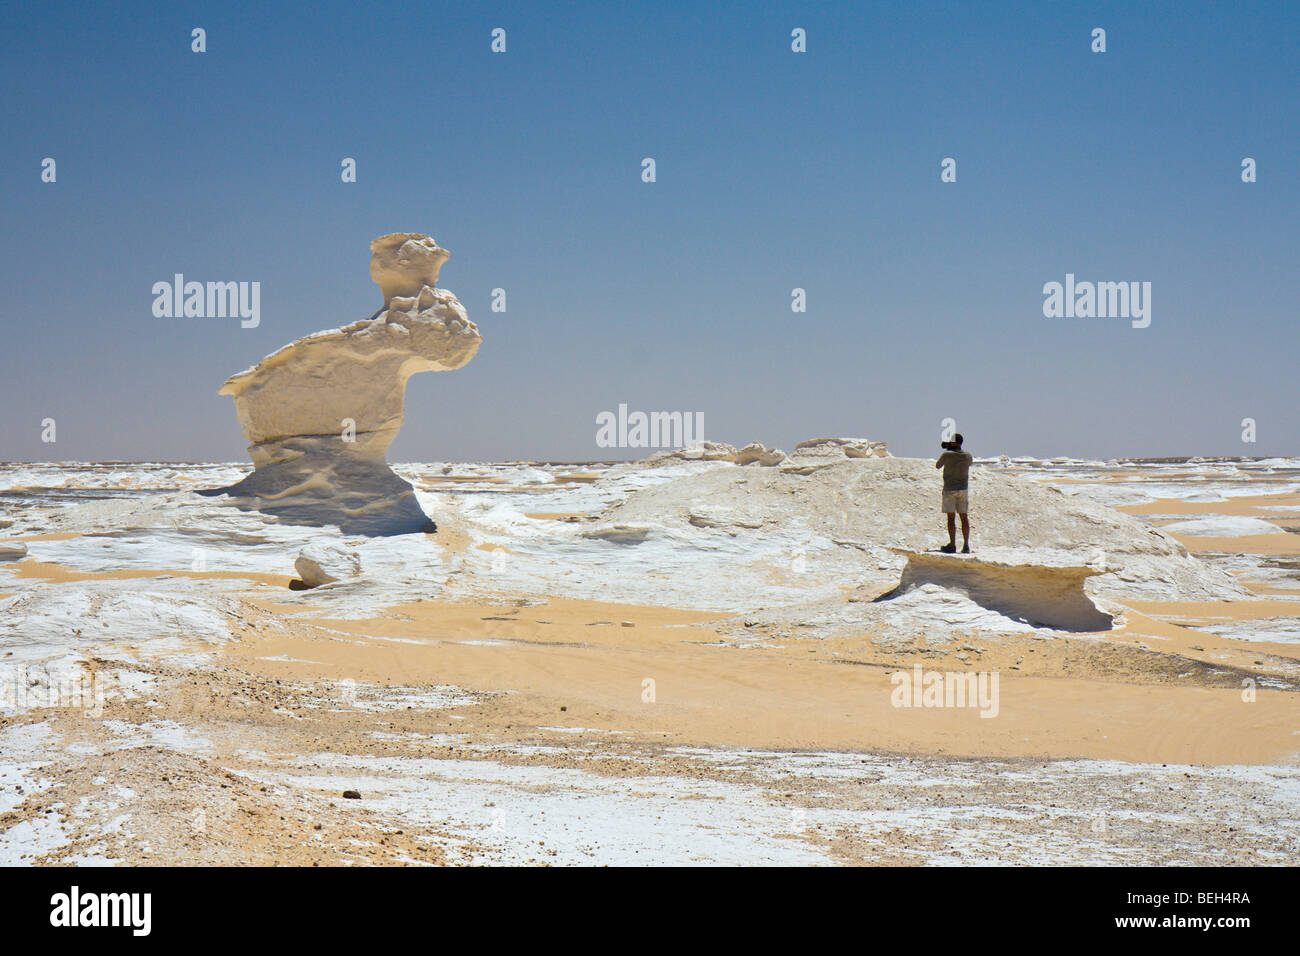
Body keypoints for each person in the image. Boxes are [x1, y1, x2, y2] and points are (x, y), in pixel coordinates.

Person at [936, 434, 973, 553]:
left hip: (949, 489)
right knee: (964, 517)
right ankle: (966, 546)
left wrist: (948, 451)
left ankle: (952, 544)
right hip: (963, 489)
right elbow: (969, 463)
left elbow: (938, 465)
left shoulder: (947, 455)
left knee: (951, 518)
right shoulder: (967, 455)